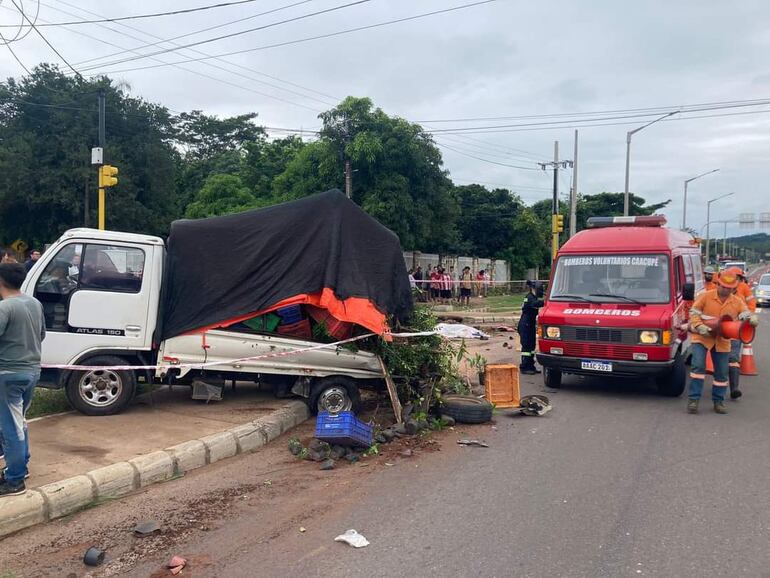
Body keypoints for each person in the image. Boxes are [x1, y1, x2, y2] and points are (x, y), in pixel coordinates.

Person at [0, 263, 46, 497]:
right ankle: (21, 466)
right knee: (20, 420)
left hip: (8, 374)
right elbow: (42, 335)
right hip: (32, 371)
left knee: (11, 427)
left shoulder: (5, 307)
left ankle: (14, 479)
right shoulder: (34, 303)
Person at [687, 269, 757, 415]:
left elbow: (744, 312)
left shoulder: (736, 301)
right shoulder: (705, 296)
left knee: (721, 373)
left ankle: (718, 402)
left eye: (729, 288)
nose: (726, 289)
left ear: (734, 288)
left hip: (722, 340)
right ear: (718, 284)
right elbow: (694, 312)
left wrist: (750, 318)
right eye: (723, 286)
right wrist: (700, 327)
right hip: (702, 337)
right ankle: (693, 400)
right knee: (698, 367)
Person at [726, 267, 757, 400]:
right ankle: (719, 386)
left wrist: (748, 318)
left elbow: (750, 305)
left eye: (738, 278)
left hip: (736, 329)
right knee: (720, 359)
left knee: (733, 358)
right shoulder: (721, 289)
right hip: (721, 330)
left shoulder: (743, 290)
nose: (736, 280)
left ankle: (734, 389)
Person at [518, 280, 544, 375]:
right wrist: (546, 302)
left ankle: (531, 366)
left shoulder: (534, 297)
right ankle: (524, 367)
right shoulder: (529, 297)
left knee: (532, 346)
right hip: (525, 325)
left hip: (531, 324)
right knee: (526, 346)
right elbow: (535, 304)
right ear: (534, 288)